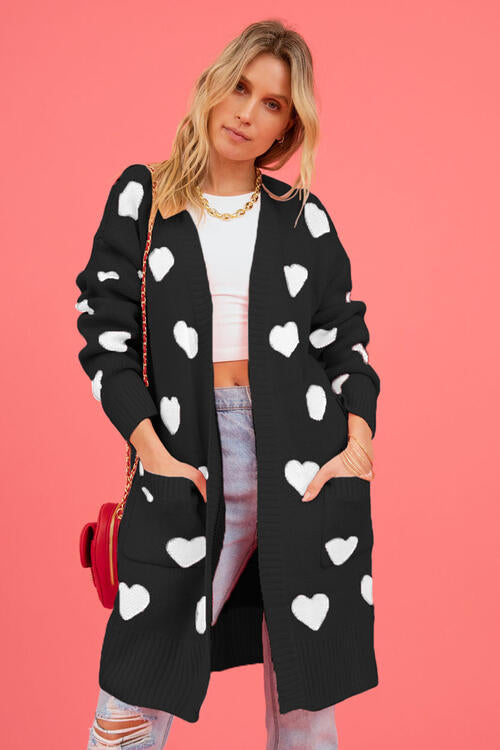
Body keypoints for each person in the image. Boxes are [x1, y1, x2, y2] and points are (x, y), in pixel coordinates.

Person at [76, 19, 380, 750]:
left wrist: (358, 446)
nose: (247, 113)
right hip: (187, 454)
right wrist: (153, 450)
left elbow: (344, 338)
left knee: (305, 704)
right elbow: (105, 333)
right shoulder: (145, 197)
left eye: (272, 104)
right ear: (213, 85)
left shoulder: (302, 217)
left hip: (303, 460)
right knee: (133, 695)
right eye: (240, 88)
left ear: (288, 126)